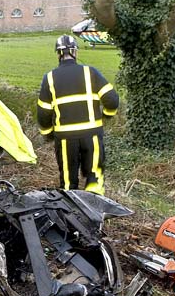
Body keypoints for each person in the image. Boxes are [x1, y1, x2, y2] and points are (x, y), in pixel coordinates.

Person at [37, 35, 118, 194]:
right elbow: (112, 100)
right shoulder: (90, 72)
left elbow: (43, 114)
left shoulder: (50, 78)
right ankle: (95, 210)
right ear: (75, 52)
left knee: (68, 182)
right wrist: (107, 115)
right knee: (94, 178)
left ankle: (70, 214)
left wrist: (48, 134)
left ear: (58, 54)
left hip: (65, 138)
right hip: (92, 135)